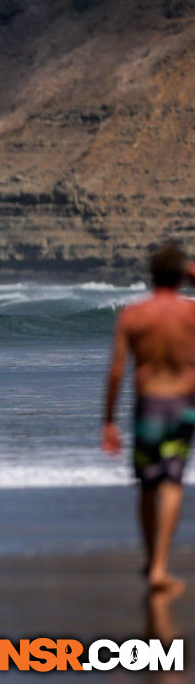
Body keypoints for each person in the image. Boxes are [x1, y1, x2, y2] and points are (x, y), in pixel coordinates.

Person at [102, 241, 195, 594]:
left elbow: (115, 372)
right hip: (184, 405)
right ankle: (160, 565)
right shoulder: (190, 313)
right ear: (182, 275)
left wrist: (108, 421)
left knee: (147, 484)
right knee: (171, 483)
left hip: (149, 405)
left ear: (151, 274)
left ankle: (150, 560)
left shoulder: (133, 314)